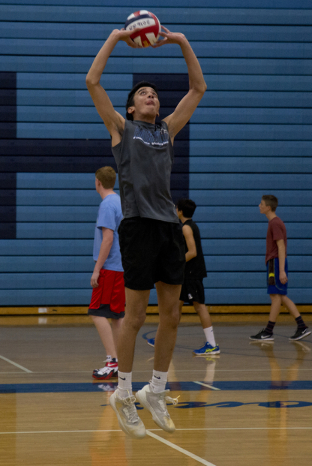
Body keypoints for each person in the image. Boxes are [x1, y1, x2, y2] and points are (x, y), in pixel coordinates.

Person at [86, 26, 206, 439]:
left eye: (154, 93)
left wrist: (182, 41)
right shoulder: (123, 131)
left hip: (169, 227)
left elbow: (198, 88)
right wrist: (117, 38)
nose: (151, 95)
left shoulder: (166, 131)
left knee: (172, 314)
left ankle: (155, 389)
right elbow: (92, 81)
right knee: (134, 317)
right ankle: (123, 392)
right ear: (132, 109)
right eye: (143, 93)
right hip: (137, 227)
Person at [147, 198, 220, 355]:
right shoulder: (189, 226)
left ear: (180, 211)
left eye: (176, 207)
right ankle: (164, 337)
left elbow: (192, 252)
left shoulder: (187, 228)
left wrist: (176, 263)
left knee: (199, 306)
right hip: (187, 274)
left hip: (192, 274)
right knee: (175, 307)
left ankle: (212, 344)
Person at [249, 194, 310, 342]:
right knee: (281, 296)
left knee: (275, 297)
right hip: (276, 263)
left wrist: (281, 270)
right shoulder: (275, 222)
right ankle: (302, 326)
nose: (259, 205)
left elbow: (281, 246)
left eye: (261, 203)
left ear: (268, 207)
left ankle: (268, 331)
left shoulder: (274, 223)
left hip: (275, 263)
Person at [88, 166, 125, 380]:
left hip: (110, 268)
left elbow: (108, 239)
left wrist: (97, 269)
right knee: (117, 317)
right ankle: (119, 362)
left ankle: (112, 361)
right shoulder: (120, 201)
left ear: (98, 182)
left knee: (97, 313)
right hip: (120, 267)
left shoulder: (107, 204)